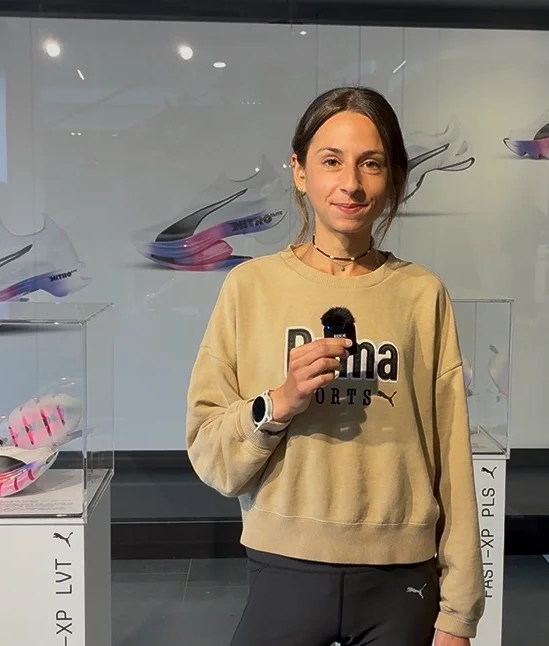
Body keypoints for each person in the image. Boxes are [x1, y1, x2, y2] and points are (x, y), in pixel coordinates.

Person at [185, 86, 485, 646]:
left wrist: (460, 611)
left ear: (393, 178)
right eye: (331, 161)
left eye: (371, 164)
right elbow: (210, 455)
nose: (351, 183)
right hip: (284, 566)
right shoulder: (250, 287)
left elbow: (452, 455)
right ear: (299, 171)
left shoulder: (422, 293)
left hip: (401, 579)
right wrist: (279, 402)